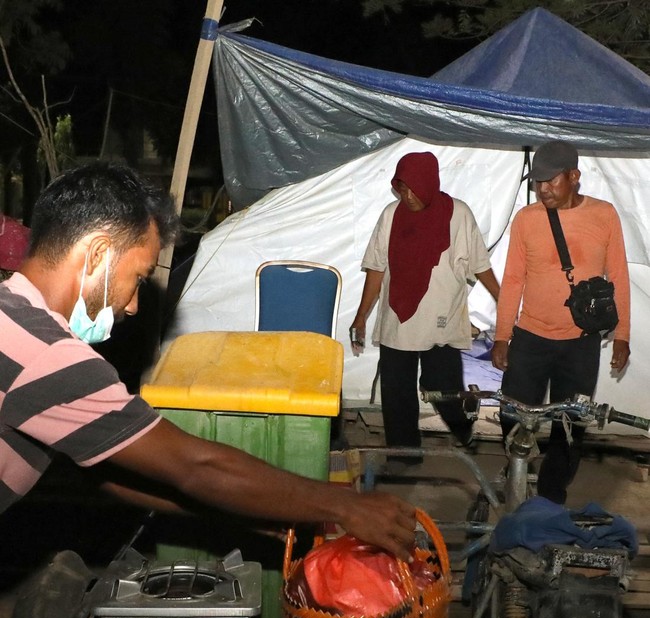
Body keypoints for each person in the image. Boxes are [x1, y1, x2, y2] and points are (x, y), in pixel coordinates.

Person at [0, 162, 416, 561]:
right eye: (139, 278)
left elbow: (96, 472)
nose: (132, 305)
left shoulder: (12, 317)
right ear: (96, 255)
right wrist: (344, 505)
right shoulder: (48, 354)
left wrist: (241, 511)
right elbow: (197, 465)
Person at [492, 140, 631, 504]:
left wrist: (622, 336)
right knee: (512, 411)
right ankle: (519, 465)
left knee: (570, 423)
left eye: (550, 181)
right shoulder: (527, 219)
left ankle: (552, 494)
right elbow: (512, 279)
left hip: (581, 342)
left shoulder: (604, 216)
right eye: (537, 183)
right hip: (530, 338)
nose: (543, 190)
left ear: (574, 177)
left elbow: (618, 276)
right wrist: (502, 335)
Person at [349, 151, 500, 457]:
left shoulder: (457, 214)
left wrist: (503, 301)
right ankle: (404, 454)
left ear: (429, 182)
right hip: (398, 318)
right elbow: (377, 268)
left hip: (440, 318)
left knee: (442, 388)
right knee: (397, 392)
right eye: (401, 188)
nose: (407, 195)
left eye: (412, 187)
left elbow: (480, 265)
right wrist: (361, 316)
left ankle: (462, 429)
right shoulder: (391, 215)